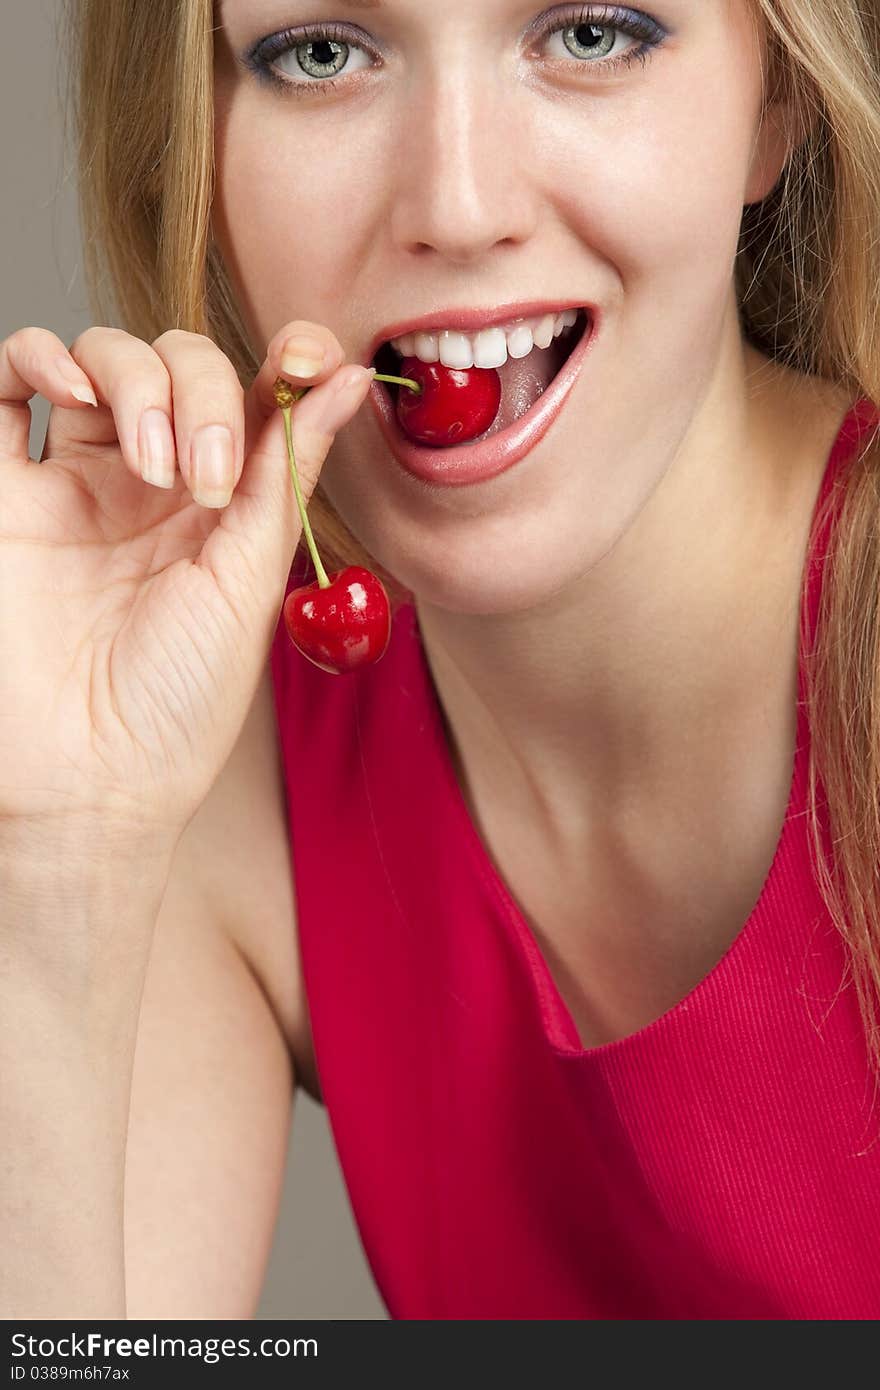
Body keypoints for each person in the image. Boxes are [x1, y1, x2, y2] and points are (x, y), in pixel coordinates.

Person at [2, 0, 879, 1321]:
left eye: (592, 34)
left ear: (778, 102)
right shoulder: (203, 740)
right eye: (320, 53)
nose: (456, 206)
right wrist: (60, 844)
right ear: (190, 151)